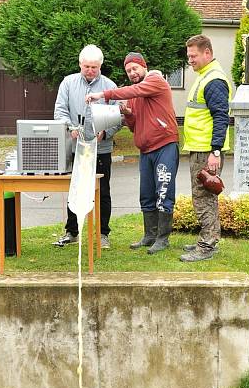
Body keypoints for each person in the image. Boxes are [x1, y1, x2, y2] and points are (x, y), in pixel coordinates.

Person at [86, 52, 179, 254]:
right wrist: (128, 114)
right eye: (128, 70)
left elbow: (134, 90)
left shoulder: (155, 80)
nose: (132, 73)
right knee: (146, 194)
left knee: (163, 191)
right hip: (145, 150)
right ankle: (149, 235)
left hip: (165, 145)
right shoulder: (136, 96)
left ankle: (163, 238)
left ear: (144, 66)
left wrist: (103, 95)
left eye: (135, 68)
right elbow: (135, 125)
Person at [53, 44, 122, 249]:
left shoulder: (110, 86)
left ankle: (102, 234)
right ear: (80, 64)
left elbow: (118, 117)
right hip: (76, 147)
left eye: (94, 67)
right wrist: (69, 128)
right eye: (86, 67)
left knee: (103, 191)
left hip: (101, 149)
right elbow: (60, 111)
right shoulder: (68, 83)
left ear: (101, 66)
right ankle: (72, 231)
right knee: (76, 189)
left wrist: (106, 132)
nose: (90, 71)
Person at [180, 34, 231, 262]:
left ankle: (208, 245)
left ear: (207, 53)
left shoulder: (213, 80)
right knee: (202, 196)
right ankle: (206, 238)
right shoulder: (204, 76)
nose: (190, 60)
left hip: (206, 150)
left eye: (194, 55)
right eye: (188, 55)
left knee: (203, 197)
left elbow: (221, 117)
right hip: (200, 147)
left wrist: (215, 151)